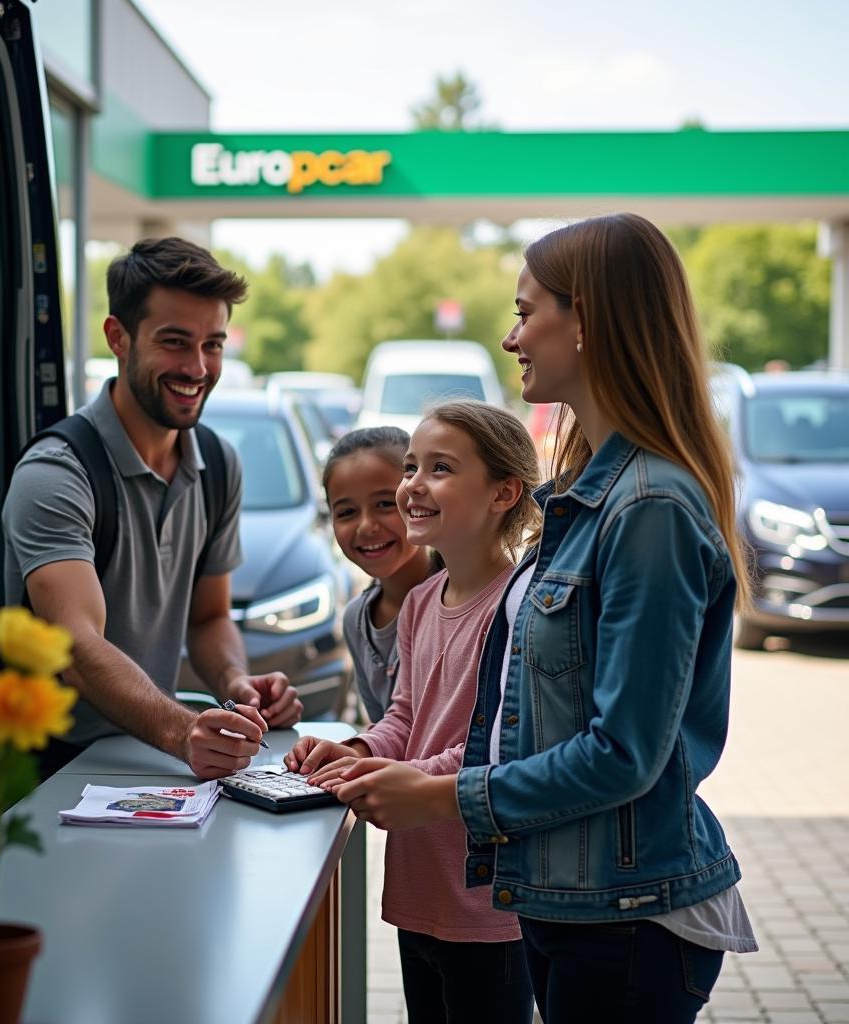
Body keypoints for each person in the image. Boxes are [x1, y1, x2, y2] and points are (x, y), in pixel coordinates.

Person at [327, 214, 758, 1024]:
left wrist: (444, 797)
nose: (511, 335)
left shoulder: (650, 505)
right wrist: (377, 758)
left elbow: (623, 753)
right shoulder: (597, 492)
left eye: (527, 313)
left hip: (627, 914)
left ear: (587, 320)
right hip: (569, 900)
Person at [2, 237, 302, 779]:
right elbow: (74, 647)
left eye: (213, 344)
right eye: (174, 342)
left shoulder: (216, 461)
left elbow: (209, 617)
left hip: (151, 766)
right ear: (119, 338)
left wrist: (237, 684)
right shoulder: (57, 472)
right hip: (41, 775)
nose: (198, 367)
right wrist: (182, 731)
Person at [287, 401, 540, 1024]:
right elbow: (403, 716)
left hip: (488, 904)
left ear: (503, 492)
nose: (413, 486)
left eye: (440, 468)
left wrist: (403, 778)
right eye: (411, 467)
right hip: (418, 883)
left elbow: (501, 748)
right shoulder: (423, 601)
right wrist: (359, 753)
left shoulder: (520, 607)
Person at [321, 426, 435, 724]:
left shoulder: (457, 603)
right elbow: (385, 731)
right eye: (346, 512)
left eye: (384, 504)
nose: (366, 526)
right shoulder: (356, 620)